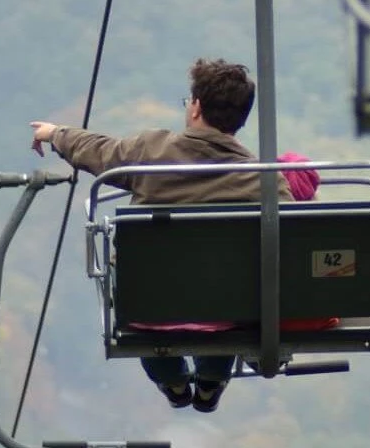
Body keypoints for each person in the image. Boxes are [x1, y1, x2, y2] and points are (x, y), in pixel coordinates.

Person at [28, 58, 264, 413]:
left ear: (196, 107)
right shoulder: (262, 177)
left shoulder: (151, 153)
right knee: (224, 293)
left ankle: (172, 380)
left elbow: (100, 151)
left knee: (150, 312)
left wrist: (56, 134)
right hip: (225, 314)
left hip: (149, 311)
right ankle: (212, 378)